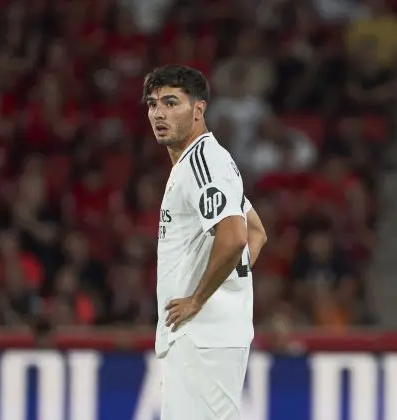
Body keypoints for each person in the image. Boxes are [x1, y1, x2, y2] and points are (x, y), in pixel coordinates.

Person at [142, 65, 268, 419]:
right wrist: (230, 281)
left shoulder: (202, 163)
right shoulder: (206, 162)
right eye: (153, 105)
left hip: (201, 337)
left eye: (171, 103)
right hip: (209, 335)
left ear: (198, 109)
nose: (159, 113)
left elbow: (235, 235)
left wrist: (199, 299)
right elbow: (256, 232)